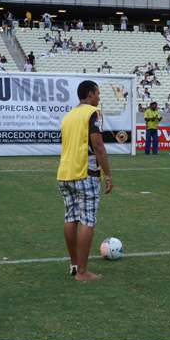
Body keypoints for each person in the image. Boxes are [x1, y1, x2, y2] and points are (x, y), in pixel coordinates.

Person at [57, 80, 112, 282]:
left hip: (65, 173)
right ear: (90, 94)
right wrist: (108, 174)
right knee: (87, 221)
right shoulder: (93, 112)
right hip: (85, 173)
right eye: (97, 93)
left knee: (71, 218)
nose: (99, 97)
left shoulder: (68, 116)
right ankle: (82, 272)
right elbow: (97, 144)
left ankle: (74, 265)